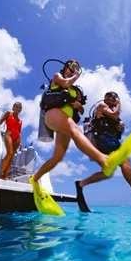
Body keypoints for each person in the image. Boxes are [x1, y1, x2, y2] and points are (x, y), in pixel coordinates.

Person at [30, 59, 110, 190]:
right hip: (53, 114)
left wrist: (78, 105)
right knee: (76, 130)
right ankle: (102, 159)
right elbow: (65, 83)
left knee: (58, 157)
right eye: (73, 66)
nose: (75, 69)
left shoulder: (76, 90)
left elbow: (82, 110)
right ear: (66, 67)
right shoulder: (58, 76)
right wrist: (75, 76)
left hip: (65, 121)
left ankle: (35, 179)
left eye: (77, 68)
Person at [75, 91, 131, 212]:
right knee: (125, 160)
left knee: (107, 172)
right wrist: (119, 105)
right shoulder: (102, 106)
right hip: (105, 139)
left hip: (109, 139)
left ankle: (81, 184)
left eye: (113, 97)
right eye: (110, 97)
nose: (112, 99)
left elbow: (116, 124)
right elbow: (114, 115)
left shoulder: (112, 115)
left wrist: (120, 125)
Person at [0, 102, 22, 180]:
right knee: (9, 153)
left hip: (17, 137)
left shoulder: (20, 121)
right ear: (13, 107)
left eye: (20, 107)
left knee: (11, 157)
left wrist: (20, 141)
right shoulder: (8, 114)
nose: (18, 108)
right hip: (8, 134)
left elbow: (19, 131)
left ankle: (5, 175)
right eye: (17, 107)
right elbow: (0, 121)